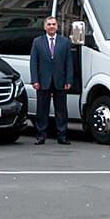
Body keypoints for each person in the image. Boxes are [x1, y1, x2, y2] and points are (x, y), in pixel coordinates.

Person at [30, 17, 77, 145]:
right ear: (45, 27)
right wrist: (35, 80)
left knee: (61, 110)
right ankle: (41, 136)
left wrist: (69, 80)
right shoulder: (37, 42)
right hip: (43, 81)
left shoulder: (65, 42)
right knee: (42, 110)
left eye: (54, 24)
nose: (51, 26)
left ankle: (62, 136)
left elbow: (68, 62)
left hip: (60, 81)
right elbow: (34, 62)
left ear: (57, 27)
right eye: (49, 24)